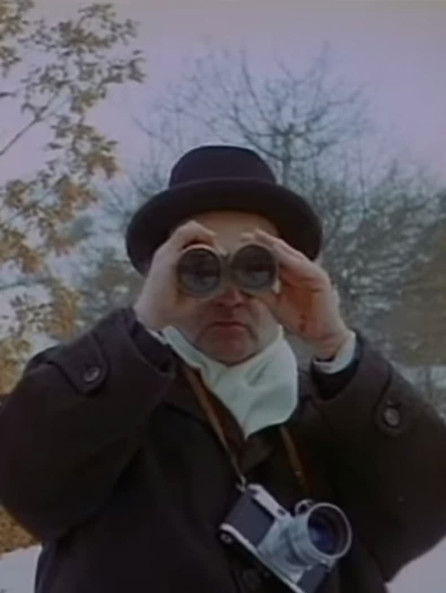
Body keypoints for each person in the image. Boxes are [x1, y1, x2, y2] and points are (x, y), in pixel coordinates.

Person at [0, 145, 445, 593]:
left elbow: (426, 506)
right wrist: (142, 326)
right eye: (200, 269)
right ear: (162, 276)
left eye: (255, 266)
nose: (231, 295)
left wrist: (337, 347)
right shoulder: (106, 402)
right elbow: (25, 481)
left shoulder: (336, 414)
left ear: (289, 274)